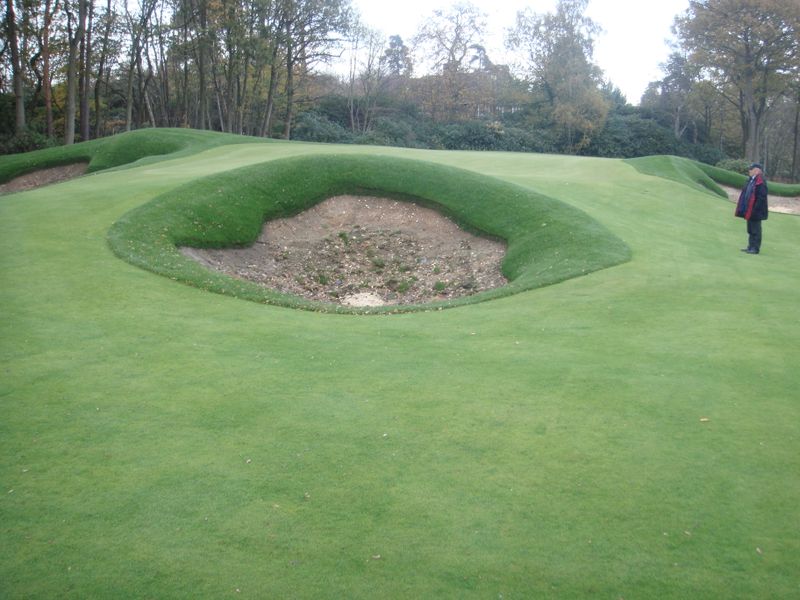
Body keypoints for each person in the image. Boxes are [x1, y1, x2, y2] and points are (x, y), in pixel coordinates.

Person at [735, 162, 769, 254]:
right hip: (749, 209)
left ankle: (755, 248)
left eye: (751, 169)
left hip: (756, 210)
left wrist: (755, 209)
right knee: (750, 229)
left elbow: (761, 197)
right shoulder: (751, 179)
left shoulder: (761, 181)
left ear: (757, 170)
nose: (749, 171)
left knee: (756, 230)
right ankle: (750, 246)